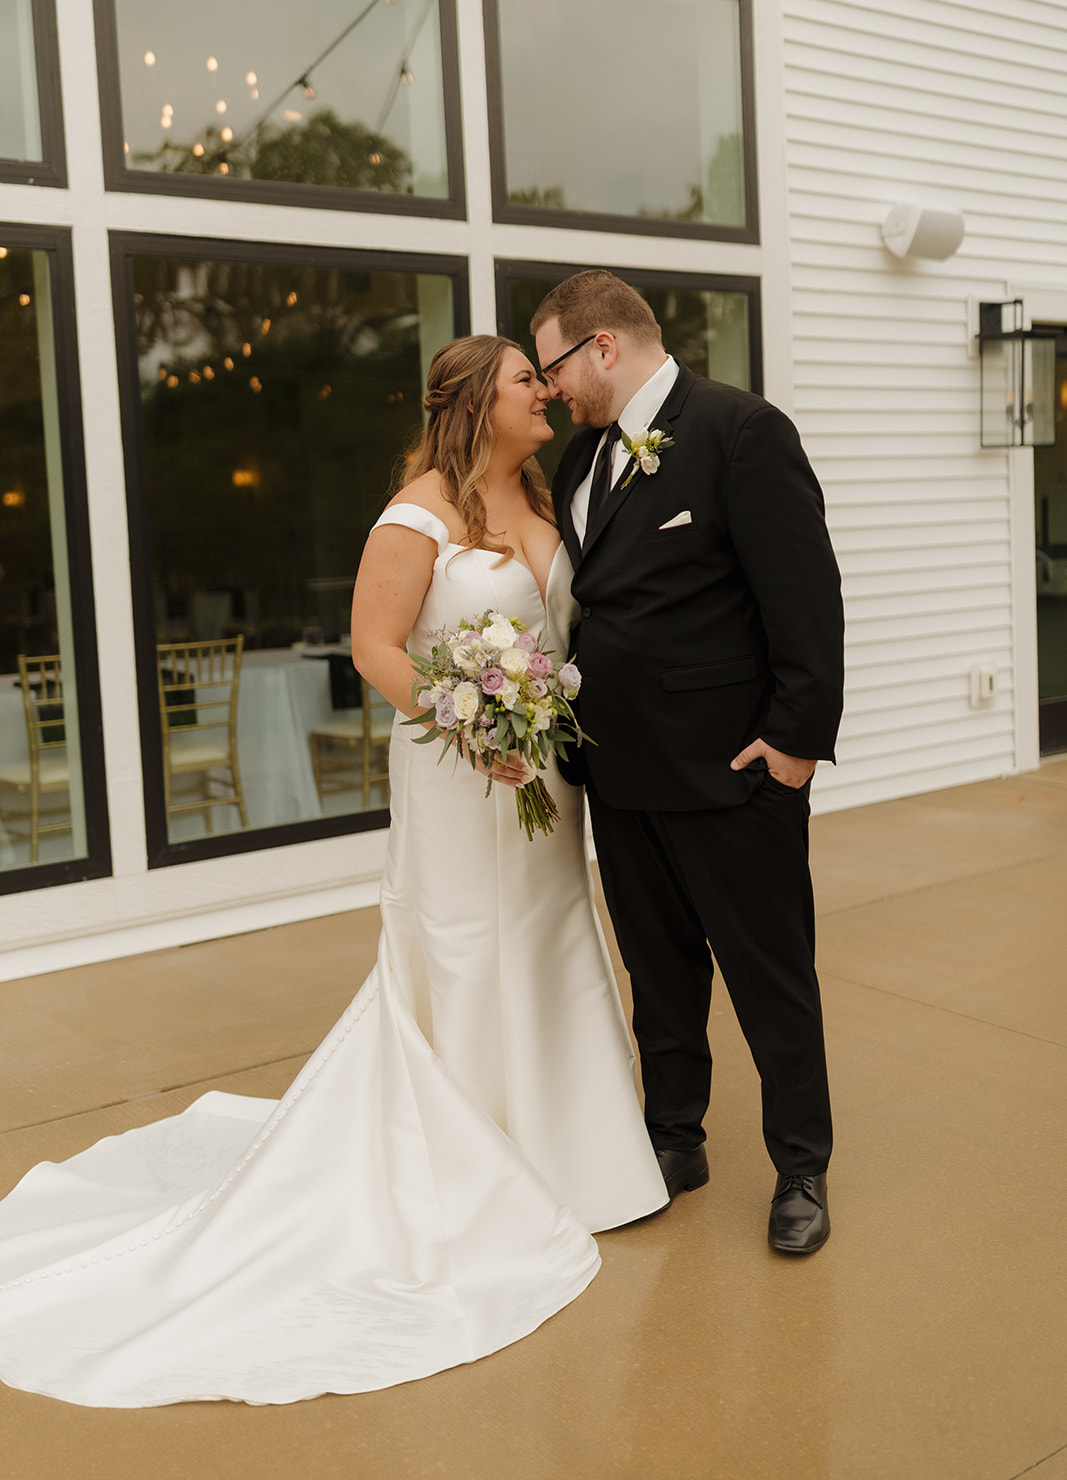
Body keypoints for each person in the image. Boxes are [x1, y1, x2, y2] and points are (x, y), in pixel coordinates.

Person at [0, 336, 667, 1408]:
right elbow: (375, 647)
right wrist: (466, 715)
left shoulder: (552, 501)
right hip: (457, 775)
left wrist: (529, 718)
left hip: (541, 775)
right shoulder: (414, 515)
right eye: (520, 382)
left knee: (550, 941)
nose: (542, 392)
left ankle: (571, 1156)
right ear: (469, 403)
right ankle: (466, 1168)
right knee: (460, 947)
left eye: (540, 379)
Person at [532, 271, 845, 1257]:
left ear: (602, 349)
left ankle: (799, 1165)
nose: (548, 392)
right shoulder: (580, 461)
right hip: (618, 778)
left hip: (732, 773)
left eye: (552, 368)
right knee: (657, 975)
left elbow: (803, 598)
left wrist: (793, 742)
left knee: (767, 976)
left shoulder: (740, 432)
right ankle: (673, 1139)